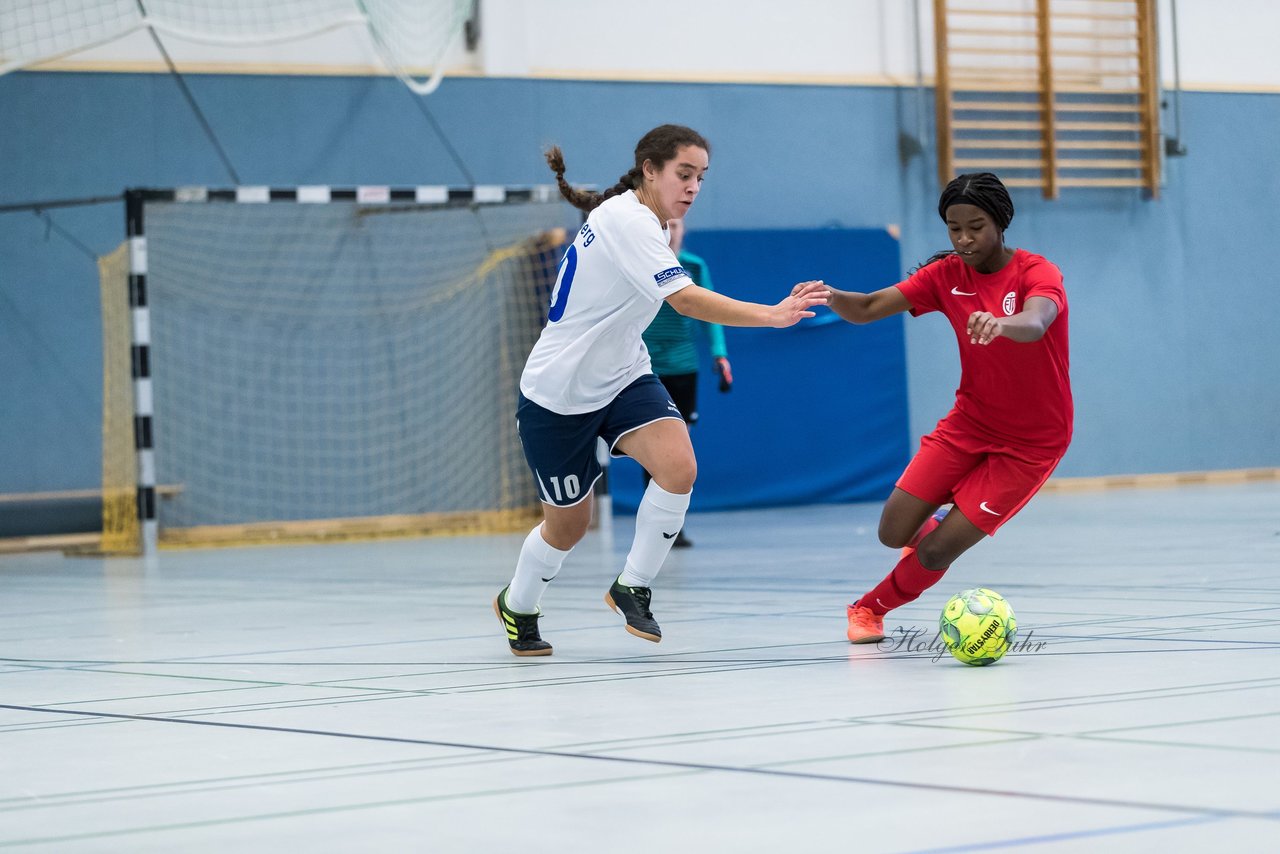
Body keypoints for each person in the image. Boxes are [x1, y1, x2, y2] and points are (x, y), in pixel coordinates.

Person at [494, 124, 827, 656]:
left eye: (701, 177)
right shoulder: (627, 220)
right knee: (568, 526)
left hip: (625, 375)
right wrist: (773, 314)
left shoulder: (646, 219)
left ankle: (633, 585)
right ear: (649, 169)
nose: (694, 187)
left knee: (679, 468)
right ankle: (520, 602)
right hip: (558, 393)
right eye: (683, 174)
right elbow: (687, 302)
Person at [824, 172, 1072, 644]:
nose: (964, 239)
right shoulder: (945, 276)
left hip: (1033, 442)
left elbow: (1037, 321)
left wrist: (1001, 323)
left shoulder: (1037, 272)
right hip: (970, 423)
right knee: (893, 532)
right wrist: (831, 296)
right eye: (954, 228)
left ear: (1000, 222)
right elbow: (871, 305)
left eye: (975, 226)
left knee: (937, 551)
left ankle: (868, 609)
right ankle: (940, 519)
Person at [639, 216, 733, 548]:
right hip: (644, 367)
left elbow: (711, 313)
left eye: (676, 226)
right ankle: (652, 524)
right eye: (665, 226)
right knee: (652, 450)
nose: (671, 232)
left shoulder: (693, 265)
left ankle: (672, 525)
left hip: (683, 366)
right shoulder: (641, 262)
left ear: (683, 231)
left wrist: (719, 354)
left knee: (679, 450)